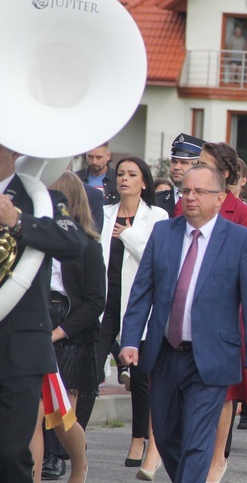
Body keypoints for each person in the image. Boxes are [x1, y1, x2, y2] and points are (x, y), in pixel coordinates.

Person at [119, 165, 247, 482]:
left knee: (198, 439)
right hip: (165, 354)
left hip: (212, 357)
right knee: (166, 433)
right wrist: (130, 340)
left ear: (220, 198)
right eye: (186, 190)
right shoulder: (164, 233)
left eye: (199, 191)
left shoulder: (240, 240)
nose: (190, 197)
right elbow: (141, 292)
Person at [0, 122, 87, 483]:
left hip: (21, 345)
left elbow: (73, 243)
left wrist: (17, 219)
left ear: (12, 152)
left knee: (10, 451)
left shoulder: (43, 199)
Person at [31, 171, 107, 483]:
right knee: (31, 419)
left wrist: (59, 333)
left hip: (71, 335)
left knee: (61, 417)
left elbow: (95, 301)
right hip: (38, 323)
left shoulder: (88, 246)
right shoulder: (35, 240)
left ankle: (79, 463)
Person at [95, 158, 168, 475]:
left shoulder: (158, 216)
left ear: (144, 182)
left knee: (140, 379)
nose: (124, 179)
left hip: (139, 306)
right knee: (89, 370)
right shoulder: (104, 213)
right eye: (120, 174)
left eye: (132, 174)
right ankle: (73, 437)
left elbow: (157, 256)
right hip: (104, 303)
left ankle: (139, 438)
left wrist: (126, 235)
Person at [199, 142, 247, 482]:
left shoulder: (240, 211)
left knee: (223, 393)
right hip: (188, 310)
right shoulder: (187, 202)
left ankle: (217, 457)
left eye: (203, 164)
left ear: (223, 173)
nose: (195, 168)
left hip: (224, 313)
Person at [155, 133, 205, 217]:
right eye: (174, 161)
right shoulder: (155, 199)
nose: (177, 167)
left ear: (198, 165)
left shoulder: (207, 201)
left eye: (184, 162)